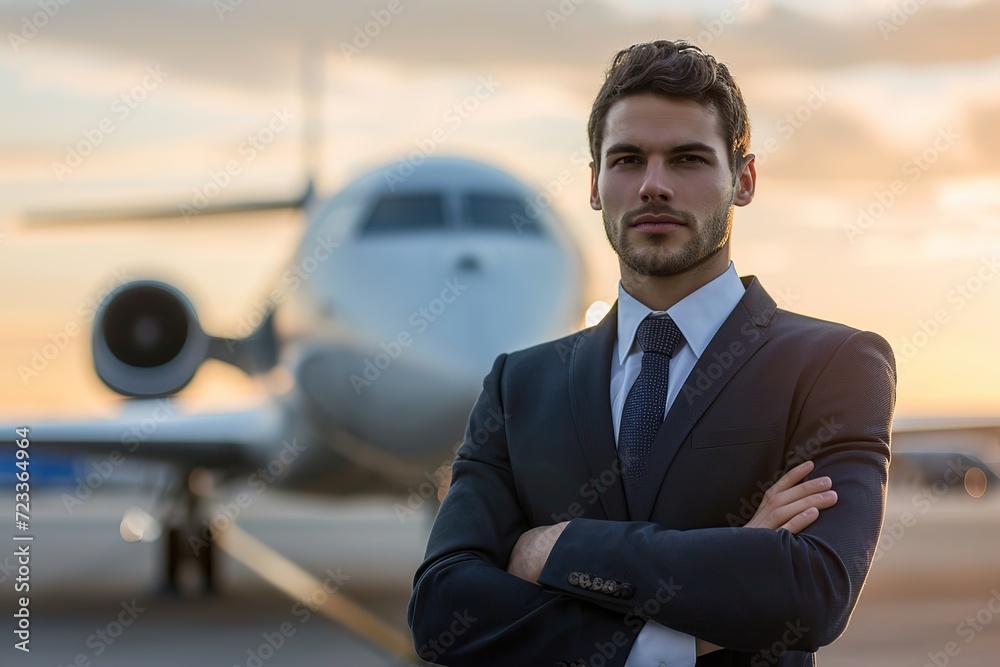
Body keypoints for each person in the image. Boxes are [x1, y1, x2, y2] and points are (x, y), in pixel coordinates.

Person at [408, 39, 895, 667]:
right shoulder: (518, 385)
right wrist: (712, 593)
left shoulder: (835, 365)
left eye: (688, 159)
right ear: (594, 184)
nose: (654, 186)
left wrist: (554, 550)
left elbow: (811, 590)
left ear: (743, 180)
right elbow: (445, 610)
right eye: (628, 159)